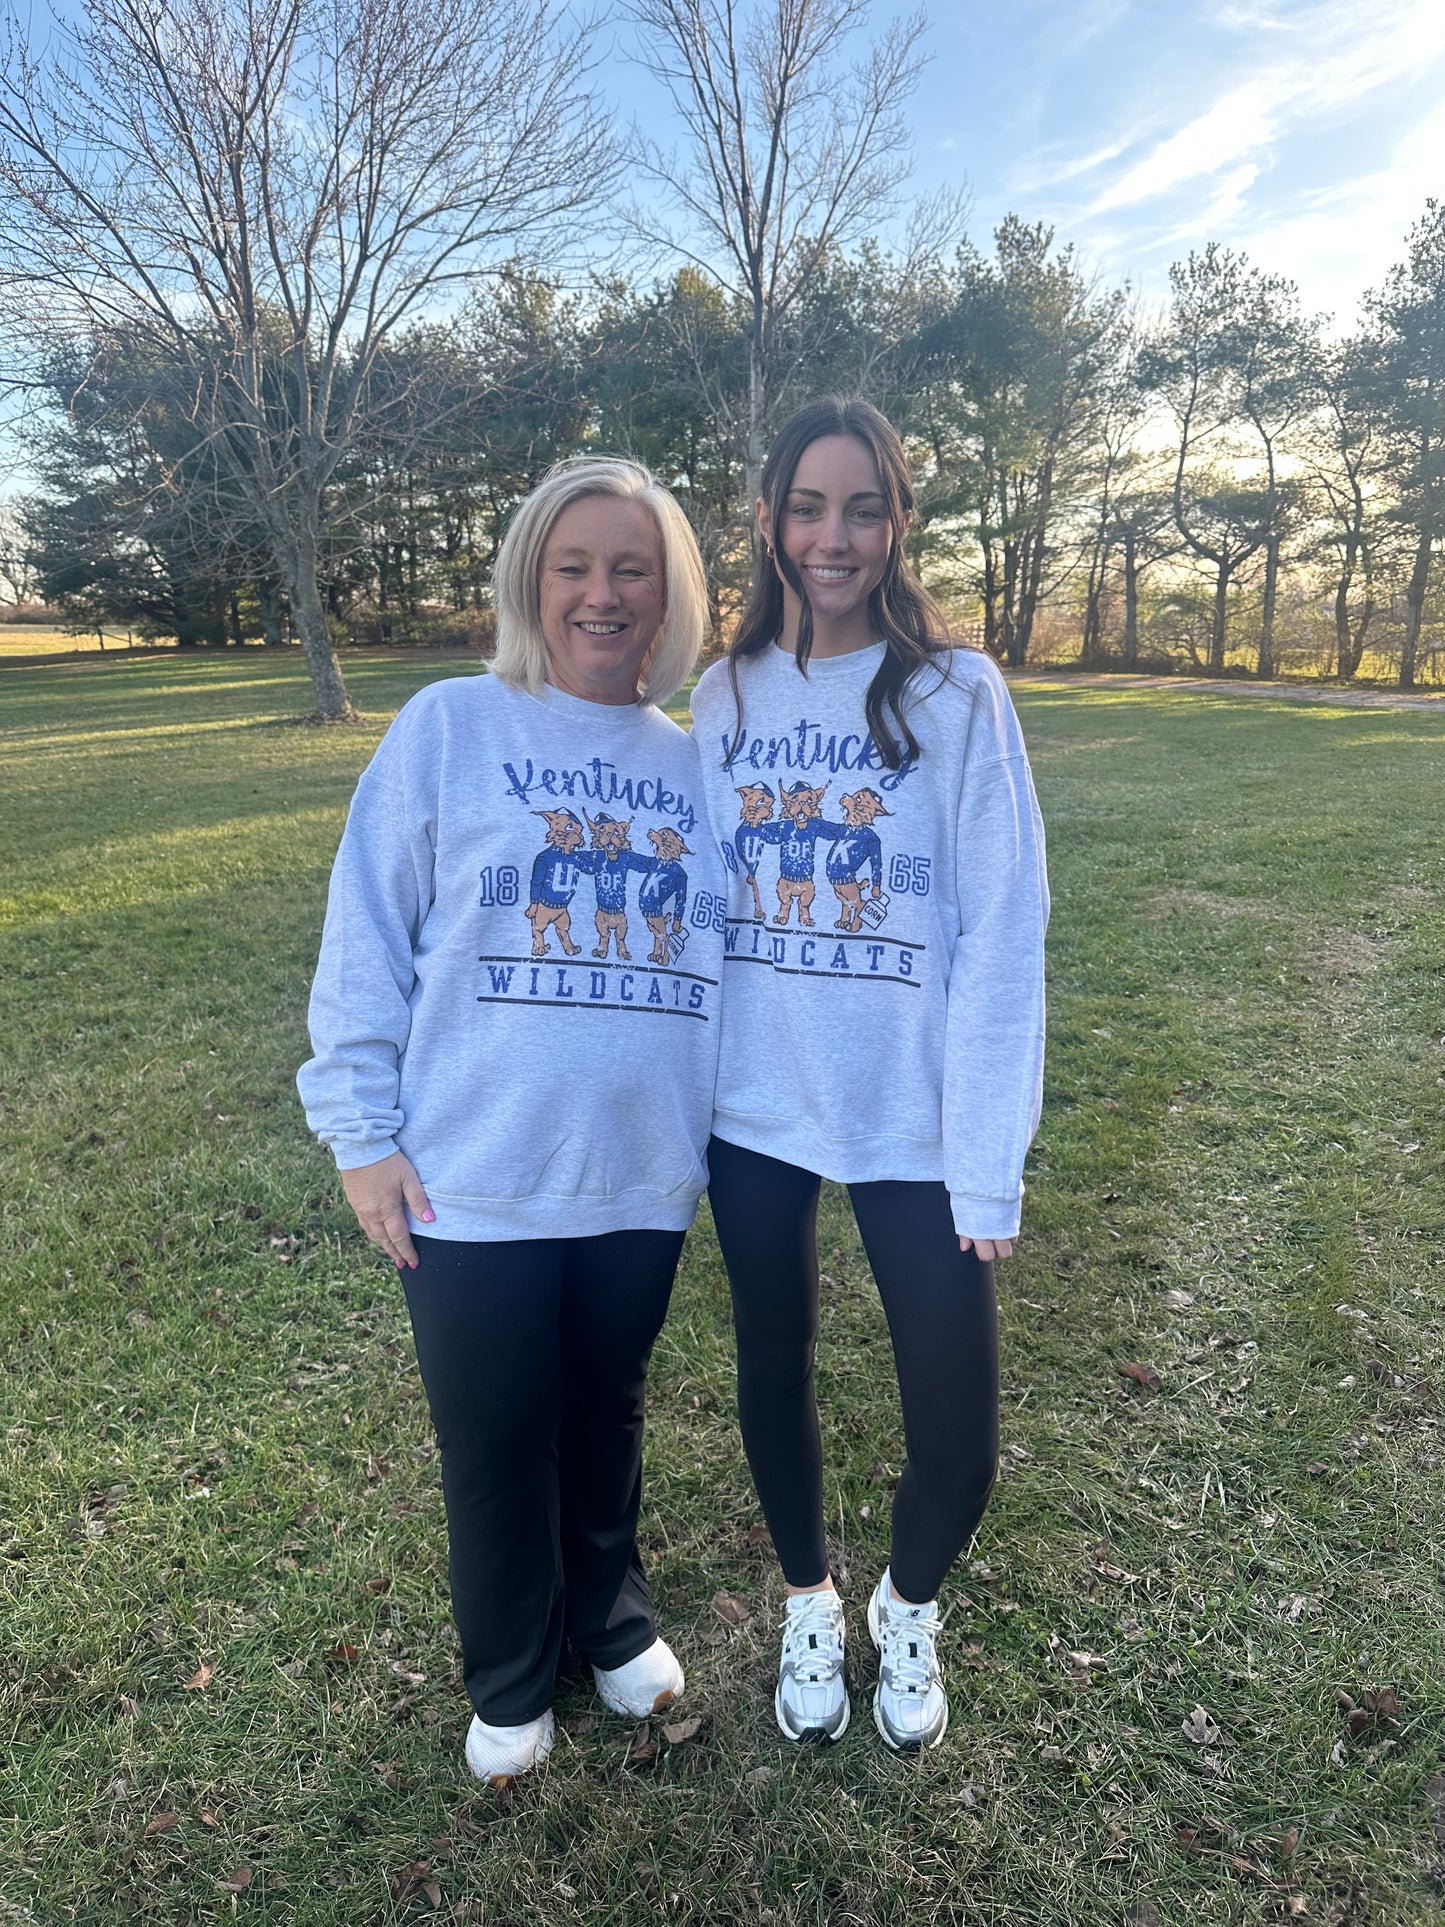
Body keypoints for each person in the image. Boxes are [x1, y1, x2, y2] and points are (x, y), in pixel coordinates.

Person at [298, 458, 723, 1787]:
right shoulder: (447, 726)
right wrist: (360, 1133)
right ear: (532, 582)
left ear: (669, 596)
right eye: (573, 567)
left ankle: (610, 1626)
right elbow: (366, 932)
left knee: (605, 1413)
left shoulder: (701, 764)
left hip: (638, 1177)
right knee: (492, 1436)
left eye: (630, 568)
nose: (601, 594)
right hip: (469, 1178)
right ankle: (508, 1670)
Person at [690, 399, 1048, 1752]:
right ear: (769, 520)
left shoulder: (957, 694)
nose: (829, 538)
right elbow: (699, 912)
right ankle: (805, 1595)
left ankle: (906, 1608)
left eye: (859, 508)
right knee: (768, 1364)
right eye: (804, 507)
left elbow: (1004, 926)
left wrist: (987, 1153)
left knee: (956, 1427)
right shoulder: (722, 694)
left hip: (912, 1118)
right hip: (757, 1107)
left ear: (897, 522)